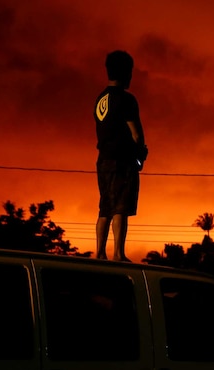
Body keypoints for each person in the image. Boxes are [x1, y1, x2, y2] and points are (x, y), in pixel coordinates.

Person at [94, 50, 147, 261]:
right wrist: (139, 157)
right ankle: (118, 253)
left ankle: (99, 253)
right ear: (126, 72)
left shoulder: (100, 99)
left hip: (103, 160)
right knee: (121, 207)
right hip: (122, 161)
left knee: (105, 205)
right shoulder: (126, 100)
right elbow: (137, 134)